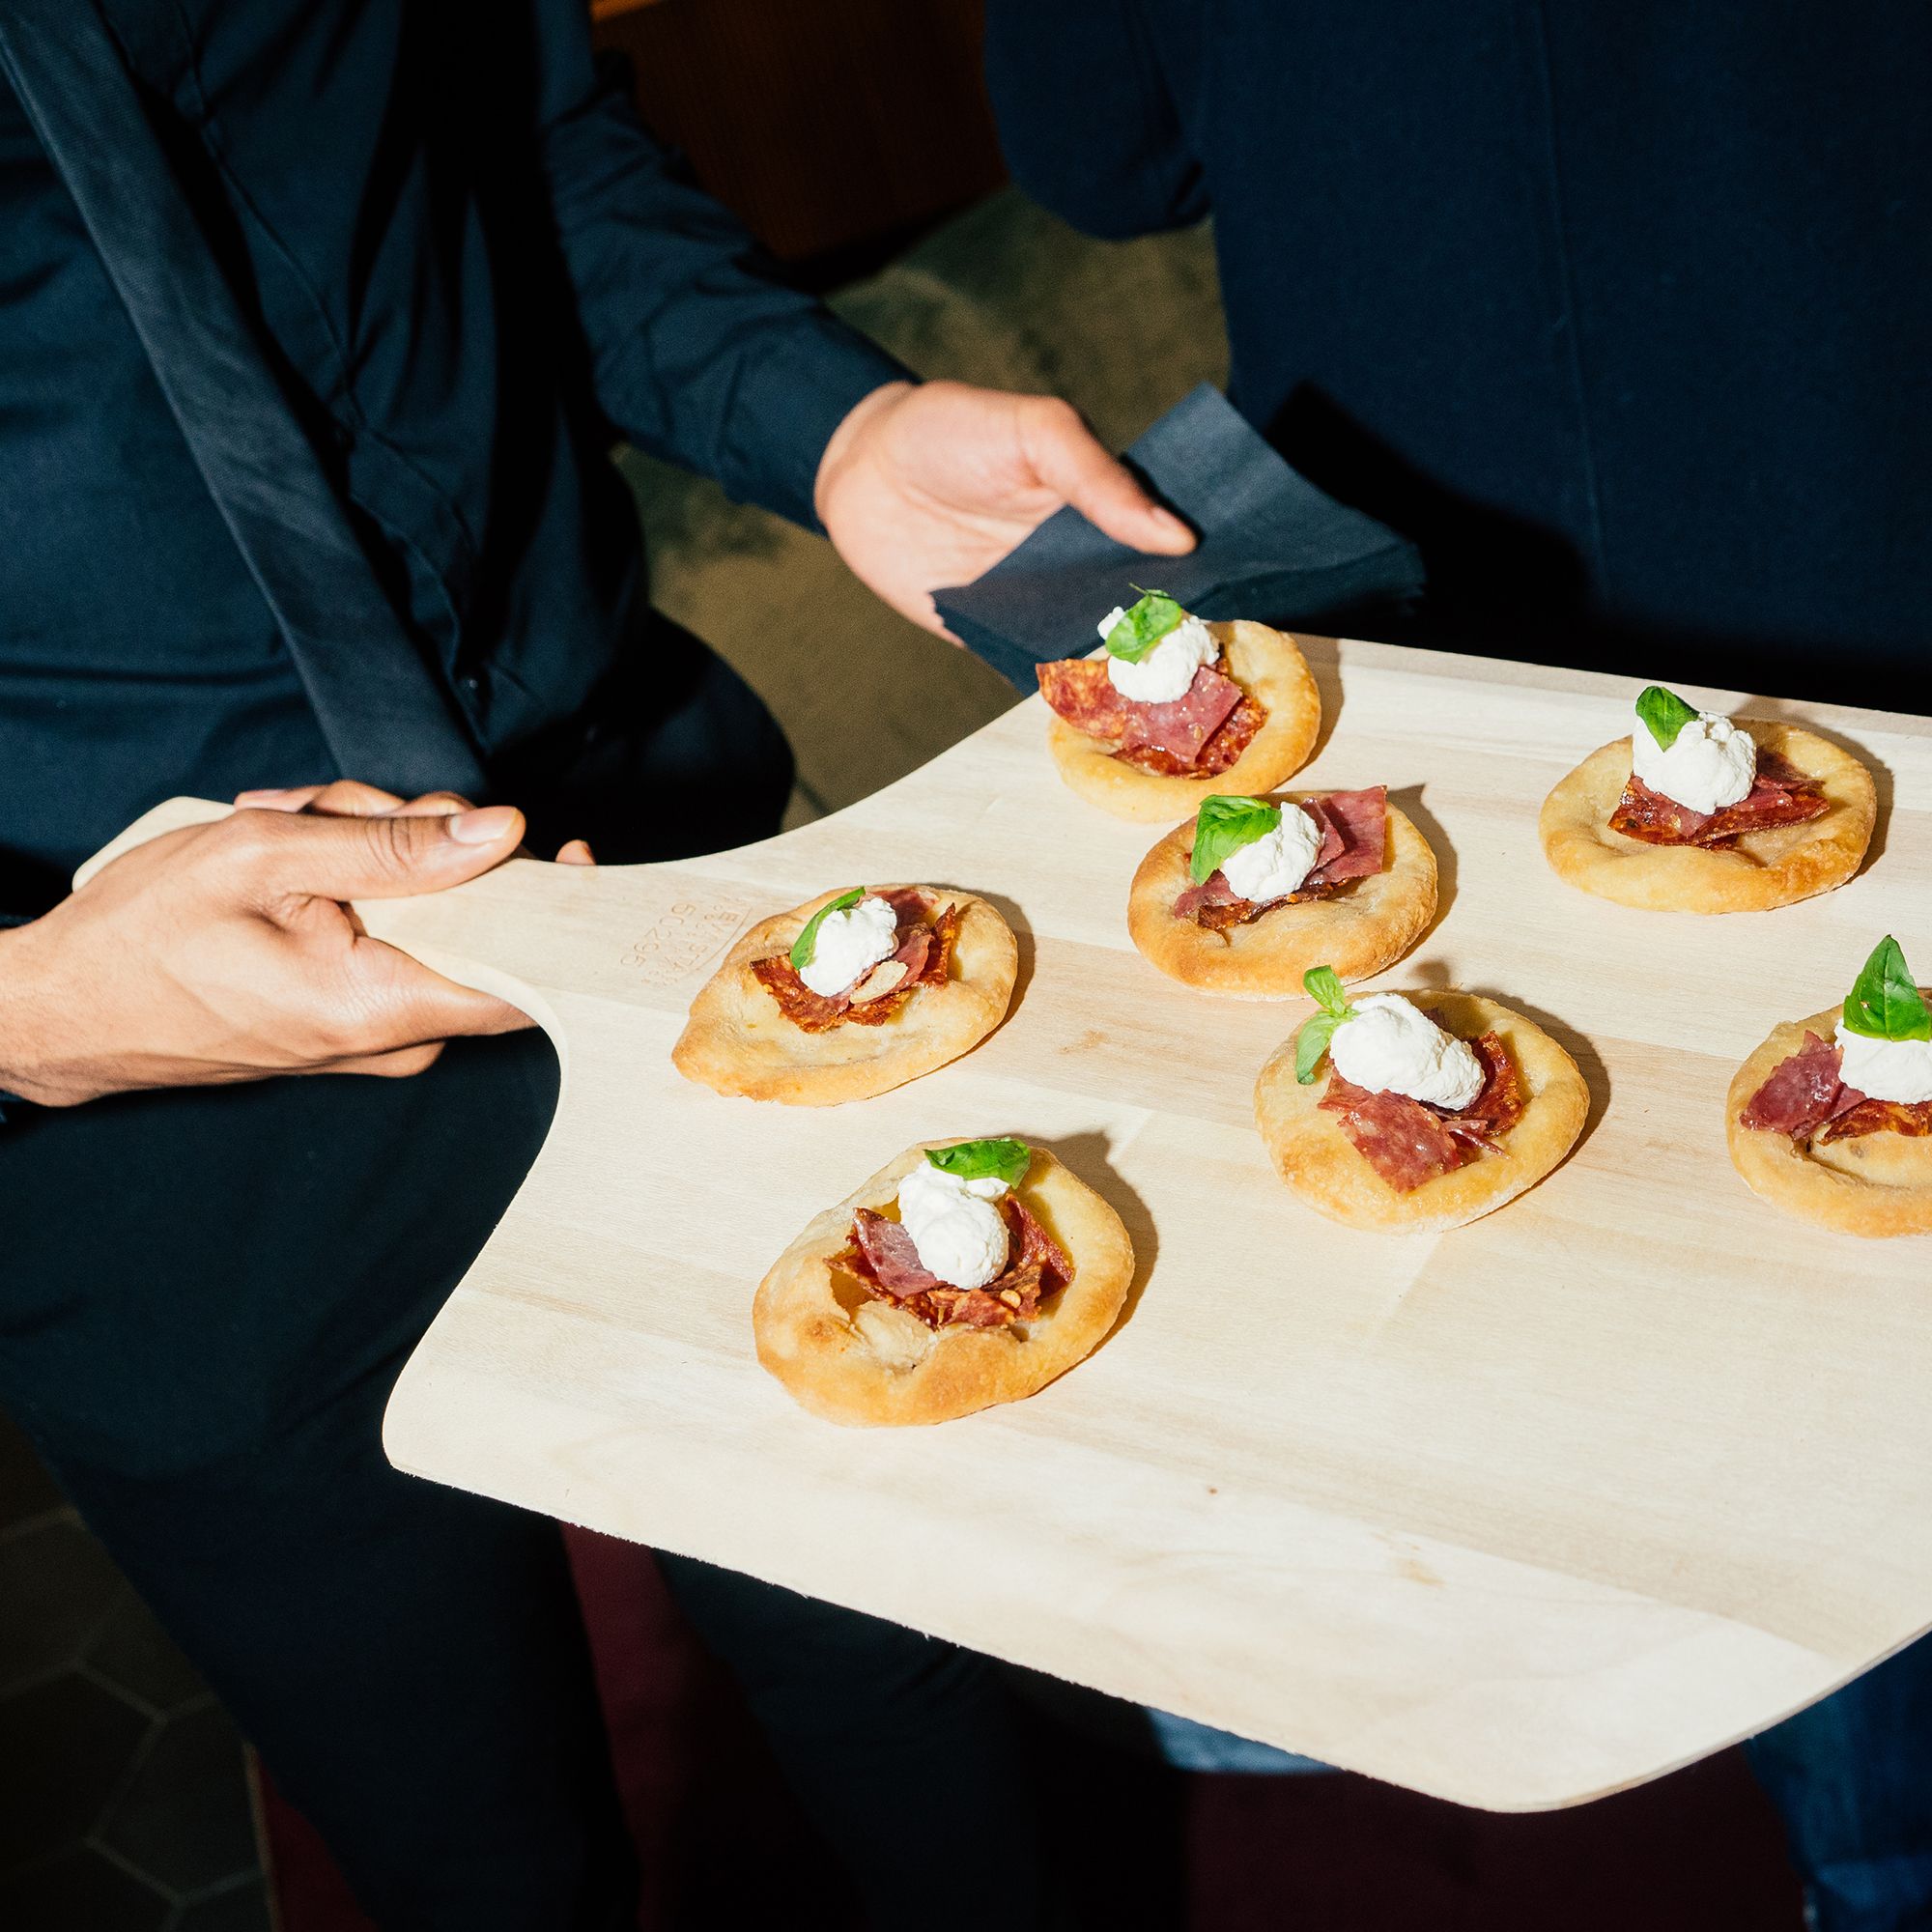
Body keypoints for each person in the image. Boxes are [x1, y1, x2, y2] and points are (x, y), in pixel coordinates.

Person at [0, 3, 1194, 1927]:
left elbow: (521, 143)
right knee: (482, 1857)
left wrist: (831, 416)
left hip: (649, 858)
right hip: (141, 1131)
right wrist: (32, 1012)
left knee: (904, 1654)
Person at [982, 5, 1931, 1927]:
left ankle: (1405, 1670)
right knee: (1840, 1359)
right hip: (1854, 538)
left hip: (1414, 589)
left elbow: (1099, 152)